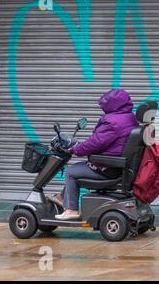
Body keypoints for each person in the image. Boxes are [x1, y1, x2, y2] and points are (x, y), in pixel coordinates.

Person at [50, 89, 139, 221]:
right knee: (79, 168)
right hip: (118, 167)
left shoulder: (112, 122)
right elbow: (102, 141)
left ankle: (71, 210)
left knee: (70, 172)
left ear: (113, 104)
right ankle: (62, 198)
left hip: (107, 168)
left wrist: (75, 150)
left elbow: (95, 143)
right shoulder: (130, 117)